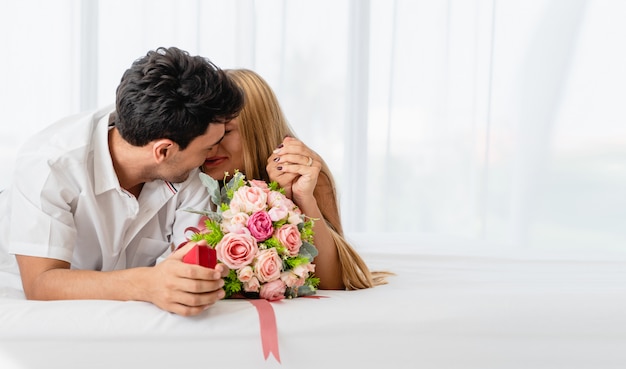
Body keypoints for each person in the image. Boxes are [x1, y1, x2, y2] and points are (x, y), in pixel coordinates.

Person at [0, 46, 244, 316]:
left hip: (133, 324)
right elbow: (40, 283)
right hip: (26, 319)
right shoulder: (50, 164)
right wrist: (145, 284)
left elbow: (188, 267)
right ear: (163, 151)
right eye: (208, 147)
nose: (213, 154)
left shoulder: (187, 174)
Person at [202, 68, 391, 290]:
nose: (210, 146)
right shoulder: (187, 176)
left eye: (225, 132)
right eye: (201, 132)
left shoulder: (304, 171)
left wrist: (302, 198)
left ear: (256, 130)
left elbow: (332, 282)